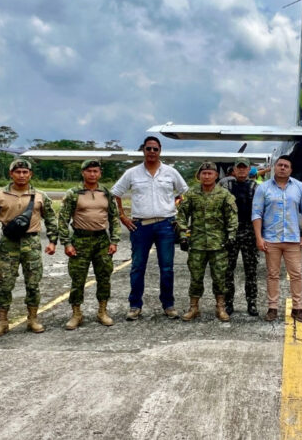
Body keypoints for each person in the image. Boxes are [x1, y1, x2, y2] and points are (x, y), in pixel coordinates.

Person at [111, 136, 188, 320]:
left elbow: (184, 192)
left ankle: (168, 305)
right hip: (140, 226)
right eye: (148, 149)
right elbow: (115, 193)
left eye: (155, 149)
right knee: (137, 267)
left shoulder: (170, 172)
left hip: (165, 225)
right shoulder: (132, 173)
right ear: (143, 150)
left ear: (160, 150)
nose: (152, 152)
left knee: (167, 268)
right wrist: (122, 215)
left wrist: (175, 205)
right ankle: (135, 305)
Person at [0, 159, 58, 337]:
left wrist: (53, 241)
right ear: (11, 174)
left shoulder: (40, 196)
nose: (22, 175)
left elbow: (51, 219)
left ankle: (32, 319)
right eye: (18, 172)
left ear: (30, 174)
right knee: (5, 284)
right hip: (9, 243)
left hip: (31, 243)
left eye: (25, 172)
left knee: (33, 284)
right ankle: (2, 321)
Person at [58, 160, 122, 330]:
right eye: (89, 171)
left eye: (96, 171)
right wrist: (66, 243)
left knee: (104, 277)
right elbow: (63, 219)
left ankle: (102, 311)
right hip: (80, 239)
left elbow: (114, 218)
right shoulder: (73, 193)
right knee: (78, 278)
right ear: (83, 173)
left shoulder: (106, 193)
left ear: (100, 173)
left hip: (101, 240)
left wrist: (114, 241)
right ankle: (76, 313)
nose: (92, 174)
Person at [252, 155, 302, 322]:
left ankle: (298, 308)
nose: (283, 168)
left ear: (291, 170)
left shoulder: (299, 187)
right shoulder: (263, 188)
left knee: (297, 274)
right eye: (280, 165)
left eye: (286, 166)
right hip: (271, 239)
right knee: (272, 274)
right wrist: (259, 237)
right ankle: (272, 308)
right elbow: (256, 214)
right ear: (274, 167)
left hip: (293, 239)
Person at [177, 162, 238, 321]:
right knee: (196, 277)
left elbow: (232, 218)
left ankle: (220, 307)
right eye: (204, 173)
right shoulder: (191, 194)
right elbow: (182, 215)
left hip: (218, 245)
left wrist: (231, 236)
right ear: (199, 176)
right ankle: (194, 308)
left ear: (216, 175)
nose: (206, 176)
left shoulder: (224, 195)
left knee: (219, 277)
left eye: (210, 173)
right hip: (197, 244)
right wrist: (183, 236)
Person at [219, 157, 259, 316]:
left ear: (249, 169)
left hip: (249, 231)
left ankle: (252, 303)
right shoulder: (225, 186)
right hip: (231, 232)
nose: (242, 170)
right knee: (228, 270)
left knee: (251, 270)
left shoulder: (256, 187)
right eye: (239, 167)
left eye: (244, 167)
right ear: (234, 170)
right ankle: (228, 303)